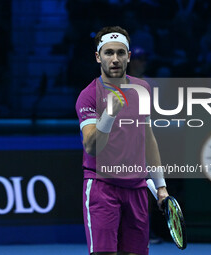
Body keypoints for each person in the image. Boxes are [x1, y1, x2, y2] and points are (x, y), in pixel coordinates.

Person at [75, 26, 169, 255]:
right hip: (101, 187)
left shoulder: (142, 89)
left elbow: (148, 139)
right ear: (98, 57)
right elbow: (91, 146)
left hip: (136, 189)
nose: (115, 59)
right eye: (108, 53)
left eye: (120, 52)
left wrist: (161, 186)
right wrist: (109, 114)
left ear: (128, 56)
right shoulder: (88, 96)